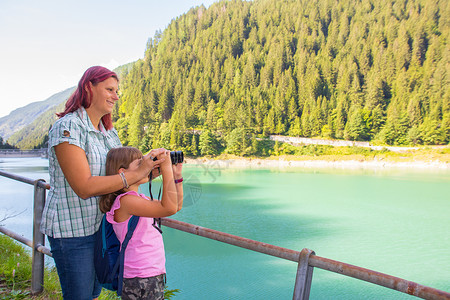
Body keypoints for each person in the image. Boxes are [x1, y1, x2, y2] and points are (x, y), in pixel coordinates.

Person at [40, 66, 165, 300]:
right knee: (80, 296)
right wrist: (134, 174)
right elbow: (84, 187)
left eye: (116, 91)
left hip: (102, 229)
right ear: (89, 87)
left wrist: (155, 169)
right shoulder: (68, 127)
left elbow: (122, 177)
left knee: (94, 294)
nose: (116, 97)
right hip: (72, 231)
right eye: (109, 89)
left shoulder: (109, 132)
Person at [99, 146, 183, 300]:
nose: (146, 167)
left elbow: (176, 205)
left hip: (149, 273)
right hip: (139, 276)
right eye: (140, 164)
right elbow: (169, 208)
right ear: (122, 172)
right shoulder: (125, 201)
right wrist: (166, 170)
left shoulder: (137, 199)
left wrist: (176, 175)